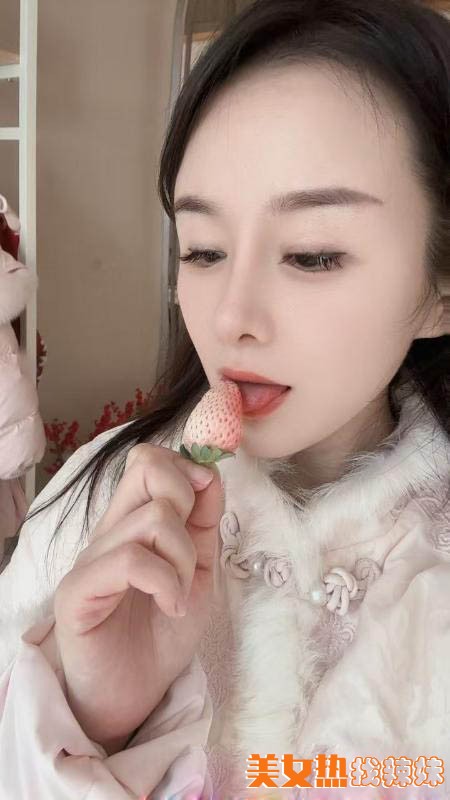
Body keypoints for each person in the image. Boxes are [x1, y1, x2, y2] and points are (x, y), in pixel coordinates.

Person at [1, 0, 450, 797]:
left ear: (440, 285)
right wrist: (91, 716)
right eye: (204, 250)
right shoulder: (94, 503)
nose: (229, 317)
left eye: (311, 256)